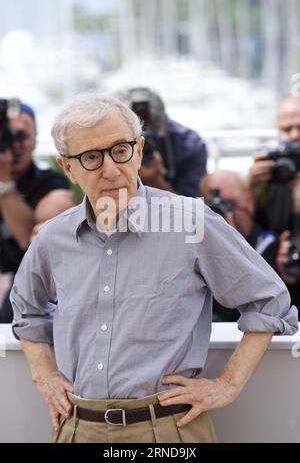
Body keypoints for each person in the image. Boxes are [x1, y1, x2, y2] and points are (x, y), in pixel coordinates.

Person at [10, 93, 298, 444]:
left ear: (140, 149)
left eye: (120, 150)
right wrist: (44, 377)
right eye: (91, 157)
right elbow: (25, 309)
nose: (112, 169)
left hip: (168, 431)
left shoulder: (191, 221)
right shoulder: (54, 237)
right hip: (77, 427)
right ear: (67, 167)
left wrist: (227, 386)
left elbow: (269, 300)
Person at [0, 102, 71, 323]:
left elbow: (29, 241)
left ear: (35, 138)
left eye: (21, 135)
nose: (14, 145)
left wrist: (4, 181)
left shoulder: (52, 183)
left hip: (34, 293)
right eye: (6, 136)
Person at [201, 169, 278, 321]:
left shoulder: (270, 245)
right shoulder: (196, 253)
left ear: (249, 201)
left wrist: (231, 244)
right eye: (212, 208)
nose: (221, 214)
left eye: (229, 204)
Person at [247, 95, 300, 311]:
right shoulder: (268, 176)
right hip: (275, 276)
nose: (295, 136)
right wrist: (249, 186)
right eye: (287, 130)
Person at [116, 86, 207, 197]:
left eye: (148, 136)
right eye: (134, 138)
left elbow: (192, 208)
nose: (141, 148)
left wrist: (156, 180)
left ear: (164, 126)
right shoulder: (102, 143)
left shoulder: (189, 145)